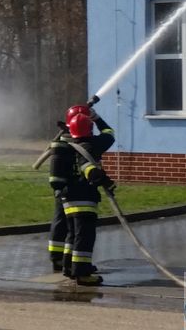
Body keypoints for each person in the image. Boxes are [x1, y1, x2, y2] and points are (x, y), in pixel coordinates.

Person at [48, 103, 115, 285]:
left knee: (72, 234)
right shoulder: (90, 145)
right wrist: (97, 118)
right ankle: (82, 273)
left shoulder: (64, 144)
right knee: (84, 236)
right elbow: (109, 135)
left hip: (67, 197)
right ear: (89, 129)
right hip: (83, 197)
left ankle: (69, 267)